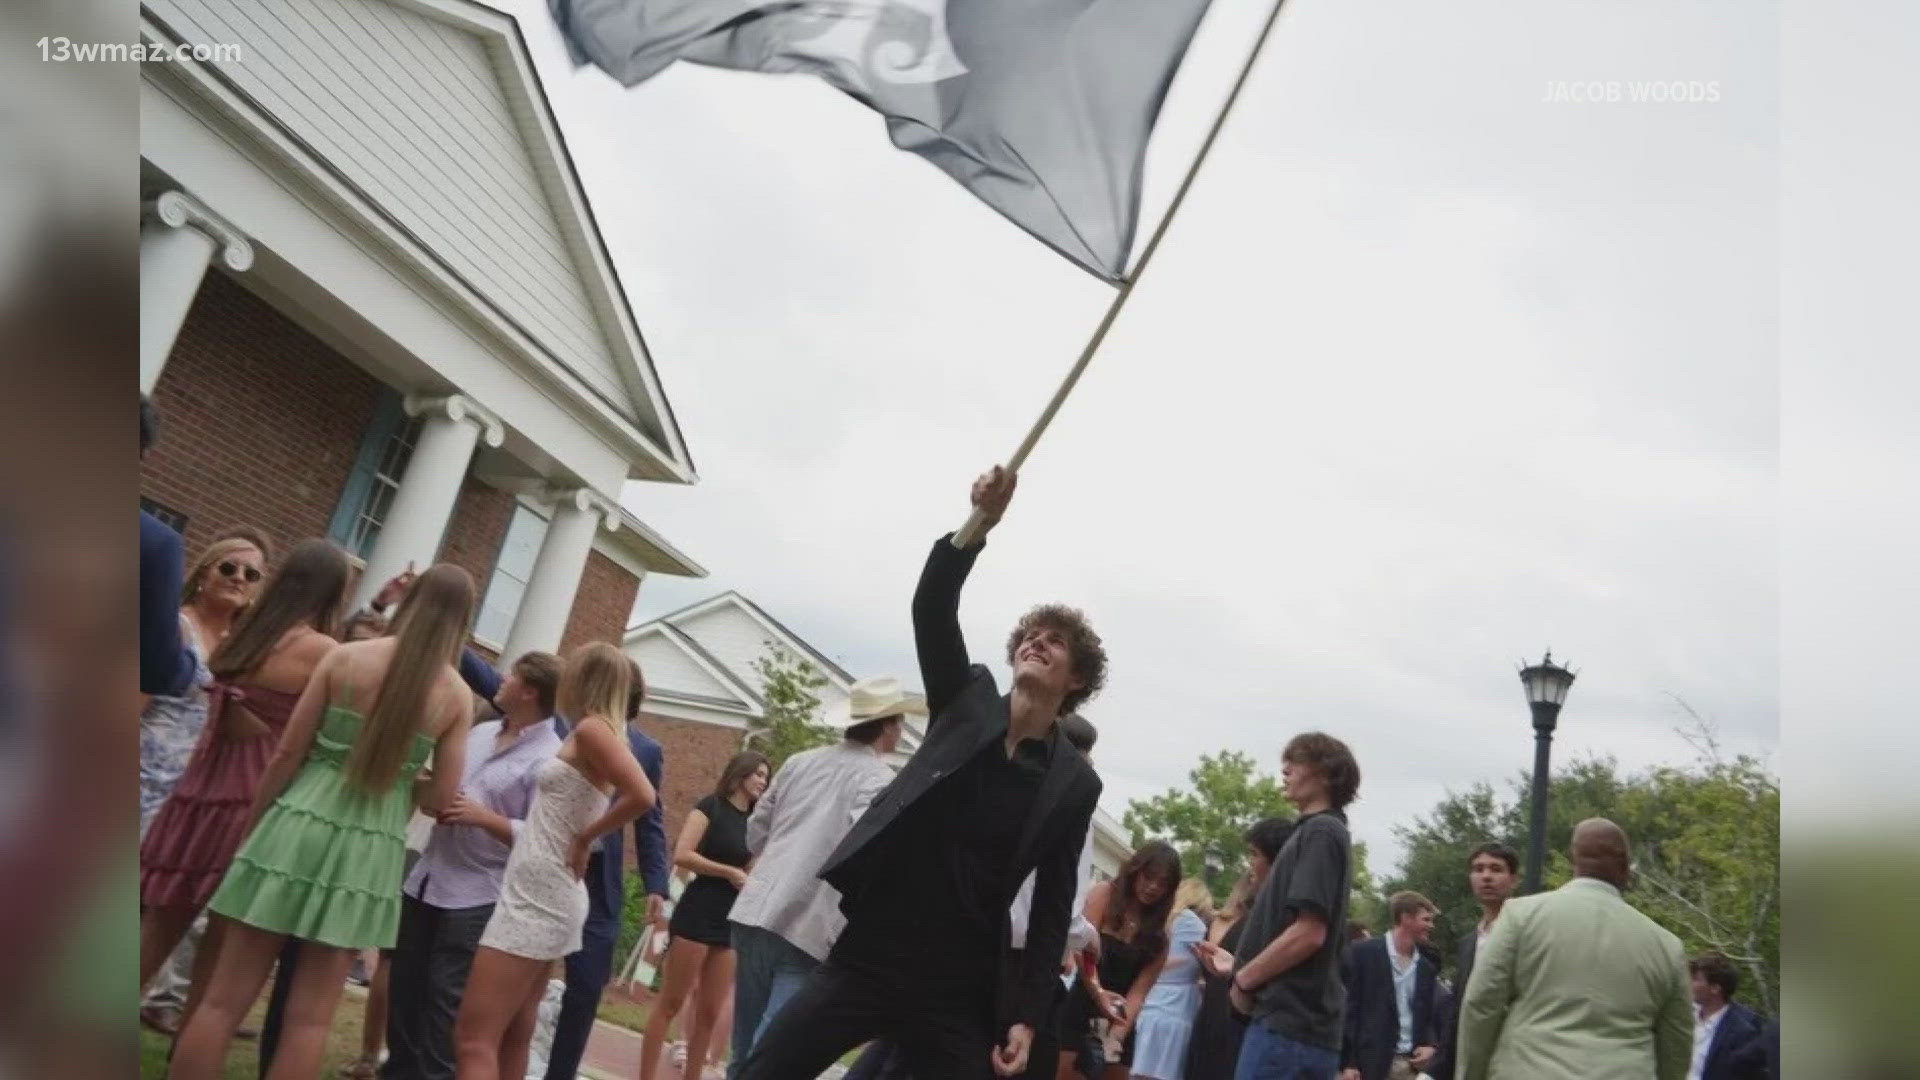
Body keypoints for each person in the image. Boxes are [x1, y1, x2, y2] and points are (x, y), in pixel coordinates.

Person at [737, 465, 1105, 1080]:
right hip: (875, 950)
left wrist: (1027, 1015)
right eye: (1031, 635)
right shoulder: (964, 704)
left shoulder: (1073, 783)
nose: (1037, 642)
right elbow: (932, 606)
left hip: (959, 984)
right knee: (766, 1070)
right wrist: (979, 523)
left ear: (1076, 681)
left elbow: (1052, 906)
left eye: (1056, 642)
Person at [166, 563, 480, 1079]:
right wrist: (404, 775)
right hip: (370, 847)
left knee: (221, 1003)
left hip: (297, 821)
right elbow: (440, 798)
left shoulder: (347, 658)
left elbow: (287, 752)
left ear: (412, 601)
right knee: (310, 1021)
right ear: (463, 620)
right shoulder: (456, 696)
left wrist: (254, 827)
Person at [140, 539, 352, 1023]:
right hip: (255, 796)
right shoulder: (322, 652)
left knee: (158, 926)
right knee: (219, 951)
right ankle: (187, 1056)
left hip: (201, 785)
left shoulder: (243, 635)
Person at [839, 712, 1102, 1080]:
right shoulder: (1074, 803)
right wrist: (1089, 936)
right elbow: (1061, 910)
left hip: (959, 945)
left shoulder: (1010, 789)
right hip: (1010, 964)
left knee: (902, 1048)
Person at [451, 642, 658, 1080]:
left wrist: (587, 837)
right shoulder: (595, 731)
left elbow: (643, 795)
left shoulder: (592, 731)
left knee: (473, 1036)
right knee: (515, 1031)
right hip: (544, 886)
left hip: (540, 893)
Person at [373, 651, 564, 1080]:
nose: (501, 680)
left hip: (477, 896)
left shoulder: (551, 758)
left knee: (444, 1008)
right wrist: (429, 792)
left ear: (530, 691)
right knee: (404, 995)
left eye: (511, 675)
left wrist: (484, 818)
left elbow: (542, 837)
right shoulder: (478, 733)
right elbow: (440, 783)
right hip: (426, 879)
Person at [727, 677, 920, 1076]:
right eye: (899, 722)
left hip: (757, 909)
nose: (901, 731)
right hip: (809, 922)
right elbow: (867, 850)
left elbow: (754, 832)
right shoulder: (879, 781)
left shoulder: (800, 761)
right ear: (887, 725)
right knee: (775, 1056)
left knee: (745, 1049)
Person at [138, 527, 272, 1037]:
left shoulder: (247, 647)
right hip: (148, 772)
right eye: (229, 567)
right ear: (202, 574)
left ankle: (159, 998)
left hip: (201, 787)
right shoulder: (175, 626)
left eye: (251, 573)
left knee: (169, 900)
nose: (238, 578)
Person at [1454, 819, 1693, 1080]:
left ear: (1573, 859)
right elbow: (1677, 1041)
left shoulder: (1521, 916)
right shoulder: (1667, 946)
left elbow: (1481, 1004)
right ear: (1626, 867)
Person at [544, 654, 671, 1080]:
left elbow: (650, 823)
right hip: (548, 861)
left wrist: (657, 884)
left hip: (599, 878)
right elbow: (496, 681)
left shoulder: (647, 750)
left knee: (585, 985)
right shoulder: (562, 724)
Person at [1228, 732, 1361, 1080]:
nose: (1284, 769)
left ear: (1326, 773)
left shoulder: (1321, 832)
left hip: (1287, 1030)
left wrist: (1244, 979)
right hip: (1292, 1029)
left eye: (1296, 761)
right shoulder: (1318, 833)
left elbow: (1309, 932)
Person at [640, 751, 771, 1080]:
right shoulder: (709, 807)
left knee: (709, 1014)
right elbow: (683, 855)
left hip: (730, 920)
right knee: (671, 1002)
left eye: (766, 777)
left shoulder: (756, 822)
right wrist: (728, 871)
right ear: (740, 774)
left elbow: (751, 869)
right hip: (697, 912)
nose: (763, 782)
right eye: (758, 774)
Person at [1187, 818, 1293, 1080]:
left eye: (1255, 855)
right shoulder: (1257, 914)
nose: (1250, 864)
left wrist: (1235, 969)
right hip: (1215, 1022)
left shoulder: (1282, 917)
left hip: (1240, 1033)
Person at [1066, 842, 1181, 1080]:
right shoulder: (1105, 894)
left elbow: (1139, 992)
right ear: (1135, 870)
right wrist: (1098, 993)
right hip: (1082, 1003)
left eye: (1163, 883)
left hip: (1122, 1017)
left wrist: (1115, 1036)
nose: (1152, 887)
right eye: (1148, 877)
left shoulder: (1161, 935)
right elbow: (1082, 952)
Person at [1430, 842, 1518, 1080]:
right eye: (1478, 869)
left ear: (1514, 879)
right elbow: (1457, 1012)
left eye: (1496, 869)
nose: (1486, 876)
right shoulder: (1469, 943)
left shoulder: (1528, 936)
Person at [1338, 893, 1440, 1080]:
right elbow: (1350, 1011)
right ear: (1406, 918)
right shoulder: (1363, 954)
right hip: (1369, 1064)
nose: (1431, 926)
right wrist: (1348, 1063)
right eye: (1426, 919)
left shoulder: (1426, 967)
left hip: (1410, 1065)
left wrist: (1430, 1045)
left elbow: (1429, 1015)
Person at [1129, 878, 1213, 1080]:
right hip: (1176, 1008)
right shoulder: (1194, 926)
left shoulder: (1160, 920)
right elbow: (1186, 963)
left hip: (1148, 1002)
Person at [1687, 954, 1765, 1080]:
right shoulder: (1685, 1017)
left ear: (1715, 988)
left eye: (1695, 979)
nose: (1689, 984)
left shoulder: (1744, 1030)